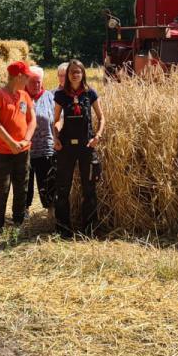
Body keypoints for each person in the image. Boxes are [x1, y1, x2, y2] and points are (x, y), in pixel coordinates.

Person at [52, 59, 105, 238]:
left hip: (86, 146)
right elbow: (57, 119)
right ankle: (63, 230)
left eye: (78, 71)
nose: (75, 74)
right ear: (67, 75)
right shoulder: (61, 95)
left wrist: (97, 136)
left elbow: (101, 117)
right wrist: (56, 134)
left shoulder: (90, 93)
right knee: (62, 189)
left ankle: (89, 230)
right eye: (72, 71)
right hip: (66, 147)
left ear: (83, 73)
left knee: (89, 189)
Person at [0, 60, 36, 229]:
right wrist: (11, 142)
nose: (28, 80)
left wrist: (26, 140)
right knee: (3, 187)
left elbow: (32, 120)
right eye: (27, 77)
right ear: (18, 76)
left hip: (23, 150)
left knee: (22, 185)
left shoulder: (25, 96)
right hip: (2, 151)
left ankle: (18, 221)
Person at [26, 66, 56, 213]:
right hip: (25, 149)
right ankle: (22, 214)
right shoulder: (20, 97)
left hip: (46, 148)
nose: (36, 85)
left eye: (38, 82)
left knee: (48, 184)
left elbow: (57, 120)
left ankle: (51, 214)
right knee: (25, 185)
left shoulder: (49, 97)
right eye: (32, 82)